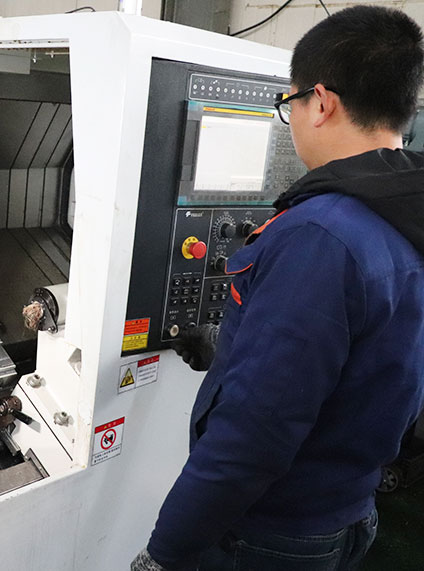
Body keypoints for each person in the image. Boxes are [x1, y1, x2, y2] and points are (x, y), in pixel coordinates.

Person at [132, 5, 424, 570]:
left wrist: (165, 554)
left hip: (271, 534)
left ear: (322, 102)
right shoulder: (404, 213)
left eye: (288, 105)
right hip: (347, 511)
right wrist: (237, 348)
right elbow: (371, 362)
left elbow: (253, 437)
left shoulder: (318, 236)